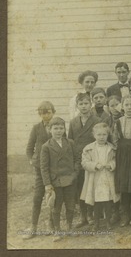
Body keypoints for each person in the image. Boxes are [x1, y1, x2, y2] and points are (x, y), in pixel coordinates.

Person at [40, 117, 80, 242]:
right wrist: (47, 184)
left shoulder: (70, 143)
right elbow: (44, 167)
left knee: (70, 205)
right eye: (55, 128)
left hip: (70, 180)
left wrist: (74, 174)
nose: (58, 131)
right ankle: (57, 230)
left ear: (64, 129)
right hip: (55, 182)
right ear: (49, 130)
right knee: (56, 207)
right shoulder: (46, 146)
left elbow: (77, 159)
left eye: (61, 128)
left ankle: (69, 227)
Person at [23, 101, 56, 240]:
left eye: (48, 112)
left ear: (53, 112)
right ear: (39, 114)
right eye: (42, 113)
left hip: (53, 167)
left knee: (52, 196)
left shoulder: (58, 126)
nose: (45, 115)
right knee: (38, 197)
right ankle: (33, 226)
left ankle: (51, 224)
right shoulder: (36, 128)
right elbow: (29, 148)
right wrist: (32, 160)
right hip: (39, 168)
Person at [68, 93, 101, 228]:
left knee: (91, 185)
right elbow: (70, 140)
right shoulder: (73, 122)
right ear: (77, 106)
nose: (84, 106)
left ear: (91, 104)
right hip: (78, 158)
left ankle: (91, 214)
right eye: (81, 104)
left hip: (92, 157)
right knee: (80, 187)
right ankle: (83, 215)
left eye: (86, 103)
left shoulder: (97, 120)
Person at [80, 123, 120, 231]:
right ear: (94, 135)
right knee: (96, 202)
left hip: (107, 178)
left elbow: (115, 160)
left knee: (107, 201)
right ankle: (96, 223)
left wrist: (111, 165)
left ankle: (108, 222)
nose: (101, 137)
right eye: (99, 135)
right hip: (95, 178)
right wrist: (95, 165)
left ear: (108, 135)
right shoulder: (88, 149)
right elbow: (84, 162)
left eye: (104, 134)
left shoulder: (112, 148)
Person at [112, 95, 131, 227]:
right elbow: (114, 140)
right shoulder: (118, 122)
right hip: (123, 156)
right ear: (122, 107)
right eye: (126, 105)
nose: (129, 107)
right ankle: (125, 214)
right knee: (124, 184)